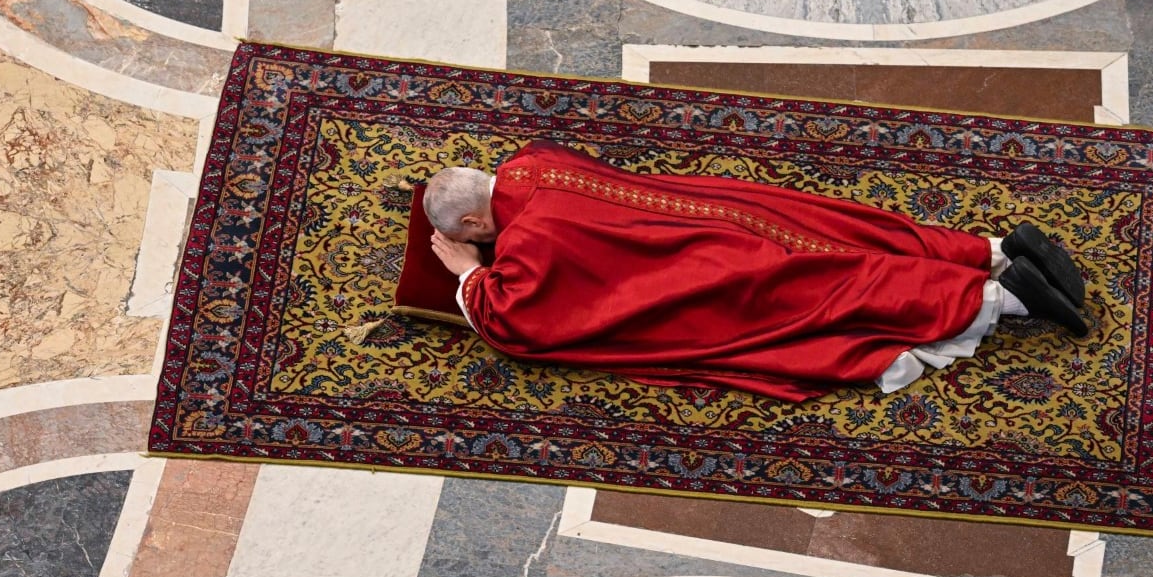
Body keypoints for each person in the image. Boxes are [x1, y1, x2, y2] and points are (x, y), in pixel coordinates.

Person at [425, 141, 1087, 402]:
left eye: (469, 238)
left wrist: (465, 275)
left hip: (704, 268)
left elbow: (515, 322)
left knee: (826, 295)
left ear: (476, 227)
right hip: (718, 209)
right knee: (845, 231)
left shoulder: (523, 247)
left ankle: (1003, 300)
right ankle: (994, 248)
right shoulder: (530, 164)